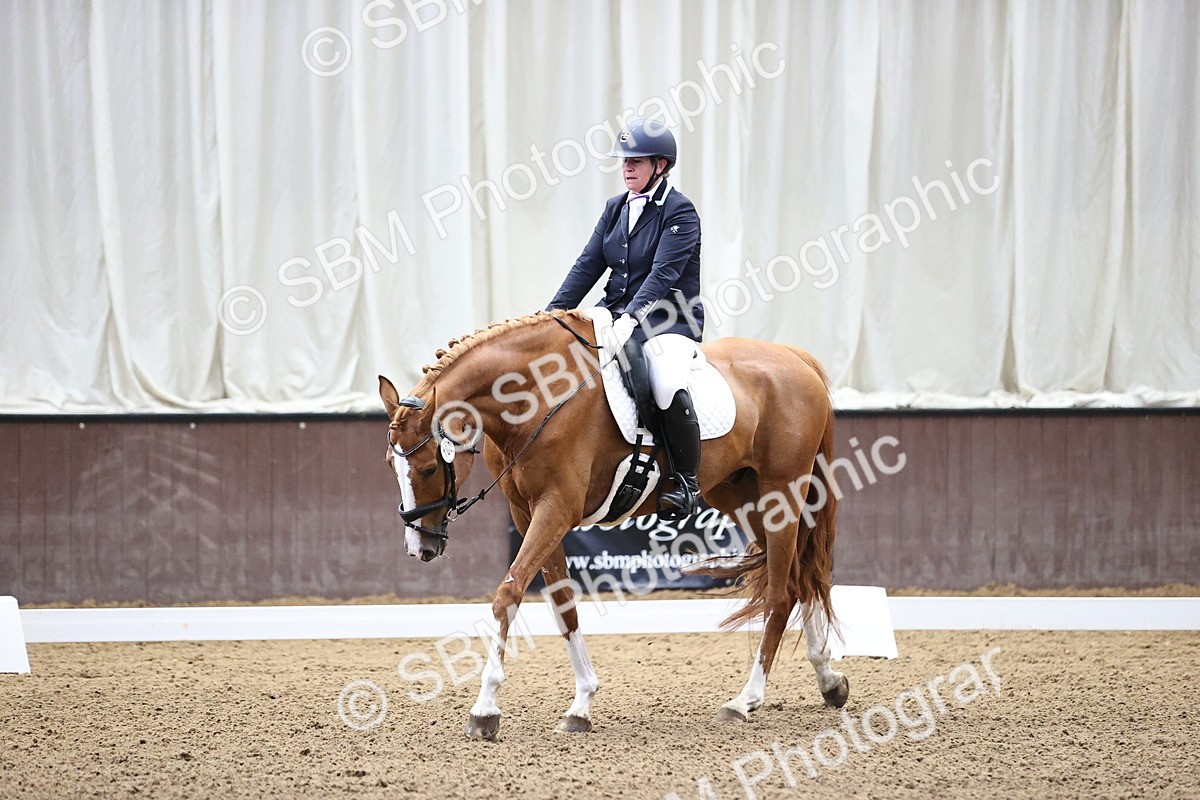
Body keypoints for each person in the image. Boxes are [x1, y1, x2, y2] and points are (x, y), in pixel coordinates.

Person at [547, 117, 705, 519]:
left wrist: (632, 317)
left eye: (637, 160)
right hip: (615, 313)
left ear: (661, 165)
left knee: (666, 382)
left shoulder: (680, 212)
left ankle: (686, 481)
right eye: (624, 161)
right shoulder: (616, 207)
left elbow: (664, 274)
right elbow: (588, 264)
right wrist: (551, 316)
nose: (628, 167)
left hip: (670, 319)